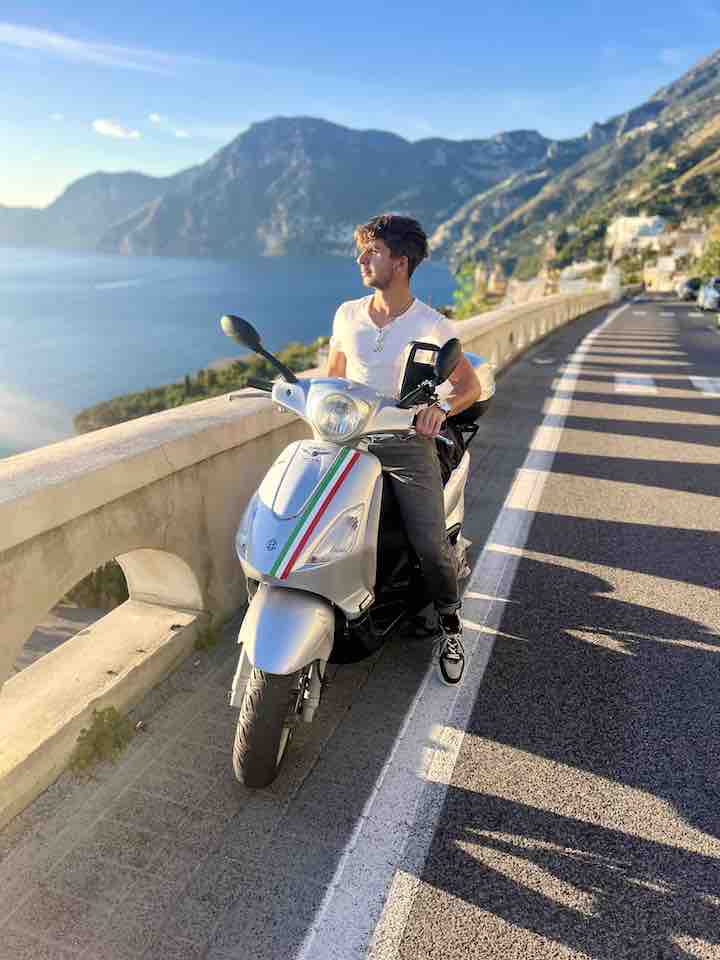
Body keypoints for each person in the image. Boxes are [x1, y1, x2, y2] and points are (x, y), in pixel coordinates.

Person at [326, 213, 482, 684]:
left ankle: (451, 624)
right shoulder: (347, 314)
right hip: (346, 439)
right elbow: (333, 375)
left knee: (430, 543)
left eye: (371, 251)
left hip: (405, 442)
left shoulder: (432, 324)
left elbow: (467, 386)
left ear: (401, 261)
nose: (361, 259)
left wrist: (443, 410)